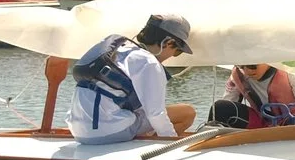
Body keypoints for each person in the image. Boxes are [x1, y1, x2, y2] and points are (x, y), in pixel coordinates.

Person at [66, 14, 198, 145]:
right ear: (168, 42)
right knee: (187, 112)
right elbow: (156, 113)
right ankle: (156, 146)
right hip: (108, 132)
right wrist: (170, 142)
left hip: (78, 132)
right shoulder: (149, 62)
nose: (173, 56)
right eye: (177, 51)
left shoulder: (120, 51)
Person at [210, 60, 295, 129]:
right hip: (260, 121)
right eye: (241, 66)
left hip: (292, 120)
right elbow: (228, 103)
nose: (247, 71)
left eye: (252, 65)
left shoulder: (292, 73)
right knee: (220, 107)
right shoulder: (238, 75)